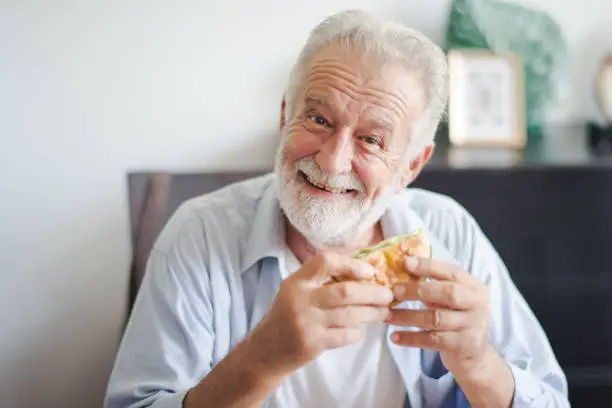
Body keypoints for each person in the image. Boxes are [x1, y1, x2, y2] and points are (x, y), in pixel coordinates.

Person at [105, 10, 569, 408]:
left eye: (371, 139)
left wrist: (479, 363)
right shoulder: (198, 234)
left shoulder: (451, 233)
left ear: (411, 165)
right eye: (319, 119)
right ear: (286, 117)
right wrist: (260, 359)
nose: (332, 159)